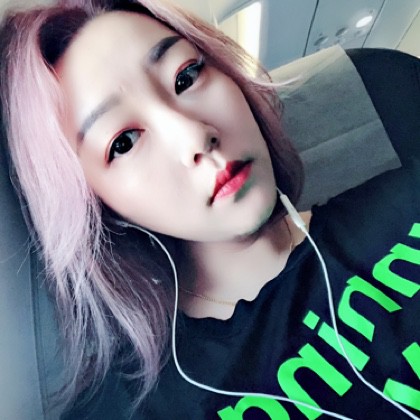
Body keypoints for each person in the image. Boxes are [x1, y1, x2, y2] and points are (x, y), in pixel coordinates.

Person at [0, 0, 419, 419]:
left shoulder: (405, 187)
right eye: (123, 142)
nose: (195, 137)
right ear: (96, 206)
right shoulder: (150, 408)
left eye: (186, 76)